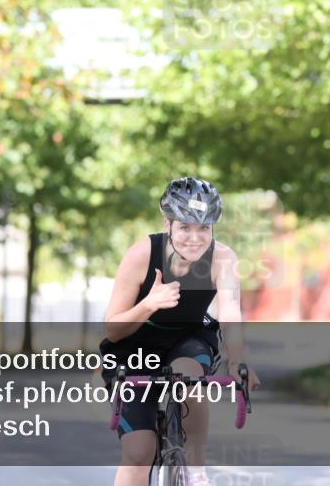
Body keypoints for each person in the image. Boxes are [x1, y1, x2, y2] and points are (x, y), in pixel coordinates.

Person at [100, 176, 261, 486]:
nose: (194, 238)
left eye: (204, 228)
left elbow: (229, 314)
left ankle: (196, 470)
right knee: (139, 452)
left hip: (188, 341)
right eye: (185, 227)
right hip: (133, 347)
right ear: (168, 224)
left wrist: (237, 360)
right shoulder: (142, 254)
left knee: (187, 377)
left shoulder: (223, 259)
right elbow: (114, 329)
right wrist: (149, 304)